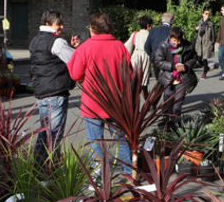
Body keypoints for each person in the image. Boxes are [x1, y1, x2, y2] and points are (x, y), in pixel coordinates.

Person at [68, 13, 133, 173]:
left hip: (93, 103)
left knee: (95, 142)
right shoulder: (119, 46)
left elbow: (75, 74)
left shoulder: (86, 47)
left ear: (92, 28)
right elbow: (129, 75)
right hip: (116, 103)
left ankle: (100, 177)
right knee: (121, 141)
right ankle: (129, 174)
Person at [29, 10, 76, 153]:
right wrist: (76, 49)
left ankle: (40, 167)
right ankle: (49, 167)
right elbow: (74, 60)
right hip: (56, 91)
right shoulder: (57, 42)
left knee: (45, 131)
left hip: (41, 91)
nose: (61, 27)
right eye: (58, 24)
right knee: (54, 134)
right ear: (48, 23)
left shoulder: (35, 40)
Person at [153, 27, 201, 120]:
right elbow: (158, 61)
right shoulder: (163, 46)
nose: (177, 43)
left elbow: (194, 58)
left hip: (182, 79)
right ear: (170, 38)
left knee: (177, 106)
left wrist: (186, 66)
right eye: (174, 40)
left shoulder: (187, 45)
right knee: (167, 105)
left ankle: (176, 125)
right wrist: (173, 66)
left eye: (179, 41)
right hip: (168, 79)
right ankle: (166, 125)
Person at [125, 15, 156, 93]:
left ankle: (134, 100)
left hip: (135, 58)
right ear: (148, 25)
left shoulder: (135, 34)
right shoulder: (151, 36)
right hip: (145, 58)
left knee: (134, 81)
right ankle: (148, 102)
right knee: (143, 83)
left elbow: (127, 47)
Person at [194, 7, 216, 78]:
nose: (207, 15)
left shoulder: (210, 24)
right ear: (202, 14)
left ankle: (204, 72)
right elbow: (199, 33)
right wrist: (196, 29)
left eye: (208, 14)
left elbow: (213, 34)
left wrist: (213, 43)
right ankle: (206, 67)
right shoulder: (199, 22)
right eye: (206, 14)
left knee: (205, 58)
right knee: (198, 57)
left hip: (207, 42)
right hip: (199, 42)